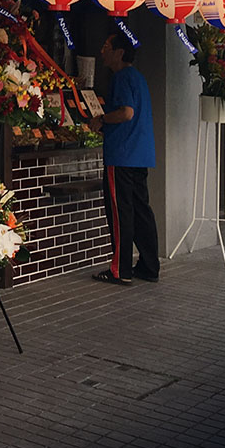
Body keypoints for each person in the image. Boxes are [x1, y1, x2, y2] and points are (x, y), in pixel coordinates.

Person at [90, 30, 159, 286]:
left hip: (122, 154)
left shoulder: (121, 77)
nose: (102, 51)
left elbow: (126, 113)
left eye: (106, 46)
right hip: (141, 155)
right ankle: (149, 266)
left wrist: (101, 119)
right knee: (142, 211)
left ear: (119, 52)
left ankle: (120, 269)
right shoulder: (138, 78)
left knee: (120, 213)